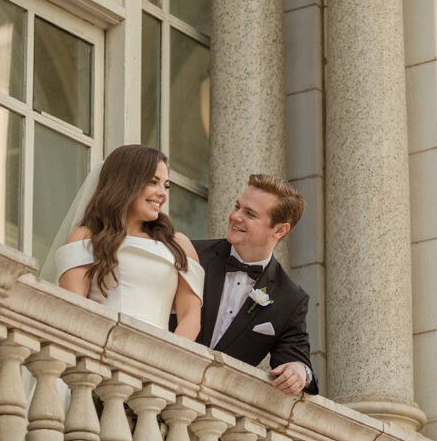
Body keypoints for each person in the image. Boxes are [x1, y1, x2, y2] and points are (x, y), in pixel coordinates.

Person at [45, 145, 203, 338]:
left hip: (158, 357)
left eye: (166, 185)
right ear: (125, 183)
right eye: (153, 182)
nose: (163, 193)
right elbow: (73, 308)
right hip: (100, 350)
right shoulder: (85, 238)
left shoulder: (179, 245)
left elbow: (190, 317)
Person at [193, 174, 317, 395]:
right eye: (237, 207)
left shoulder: (291, 299)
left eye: (249, 214)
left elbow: (297, 360)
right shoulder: (191, 255)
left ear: (279, 230)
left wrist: (299, 370)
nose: (235, 216)